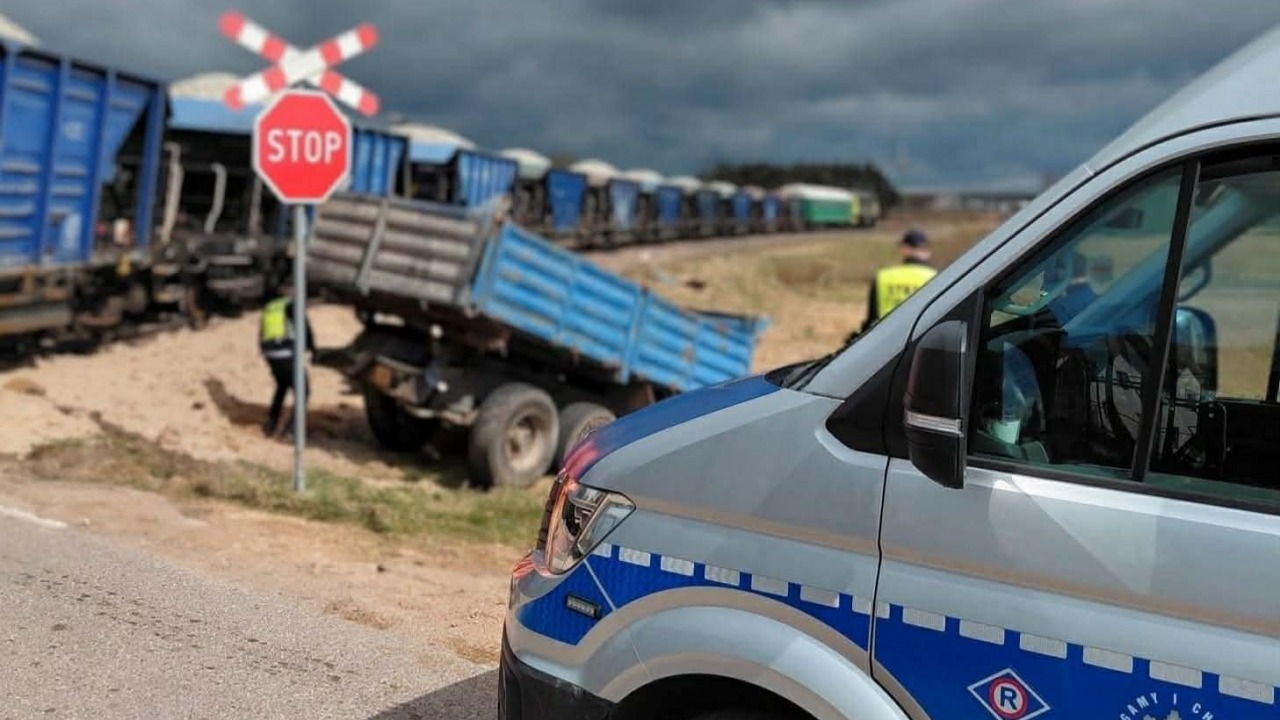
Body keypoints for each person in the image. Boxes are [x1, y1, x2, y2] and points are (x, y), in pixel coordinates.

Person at [854, 228, 938, 337]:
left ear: (905, 249)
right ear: (927, 252)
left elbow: (871, 319)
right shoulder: (937, 278)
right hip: (921, 340)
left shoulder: (883, 277)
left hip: (887, 342)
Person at [259, 280, 315, 438]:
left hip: (271, 354)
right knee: (303, 391)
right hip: (286, 353)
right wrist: (313, 350)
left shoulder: (271, 306)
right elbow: (305, 329)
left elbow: (262, 333)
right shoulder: (292, 306)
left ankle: (270, 423)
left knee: (282, 385)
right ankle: (291, 430)